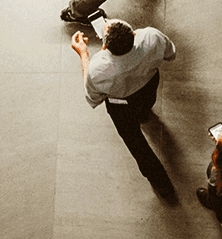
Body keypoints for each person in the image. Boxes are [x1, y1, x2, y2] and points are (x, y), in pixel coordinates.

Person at [70, 19, 177, 200]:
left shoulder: (97, 69)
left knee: (134, 140)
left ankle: (159, 180)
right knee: (146, 104)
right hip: (148, 85)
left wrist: (83, 54)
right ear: (133, 34)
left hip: (121, 104)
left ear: (104, 47)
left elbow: (92, 98)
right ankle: (143, 113)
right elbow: (170, 54)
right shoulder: (151, 36)